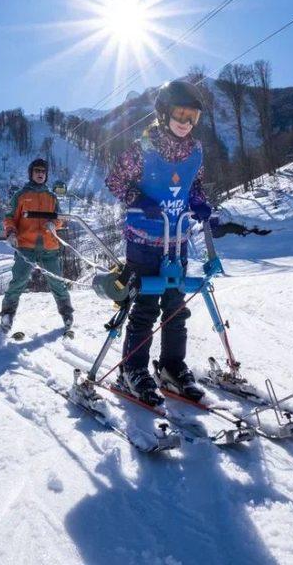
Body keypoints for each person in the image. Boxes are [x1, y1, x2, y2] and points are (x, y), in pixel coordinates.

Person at [104, 80, 213, 406]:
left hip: (177, 238)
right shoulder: (143, 148)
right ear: (164, 113)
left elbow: (195, 185)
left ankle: (171, 367)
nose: (185, 122)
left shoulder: (195, 151)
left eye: (192, 117)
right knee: (146, 305)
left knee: (176, 305)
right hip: (144, 239)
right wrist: (137, 198)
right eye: (180, 114)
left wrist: (199, 202)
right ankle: (132, 371)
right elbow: (115, 180)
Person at [0, 158, 74, 334]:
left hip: (49, 246)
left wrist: (54, 224)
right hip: (26, 245)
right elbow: (10, 217)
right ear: (31, 173)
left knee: (57, 282)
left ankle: (67, 313)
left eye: (43, 171)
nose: (40, 174)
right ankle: (7, 314)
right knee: (18, 281)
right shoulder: (21, 195)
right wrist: (11, 232)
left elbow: (60, 217)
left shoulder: (51, 196)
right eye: (37, 171)